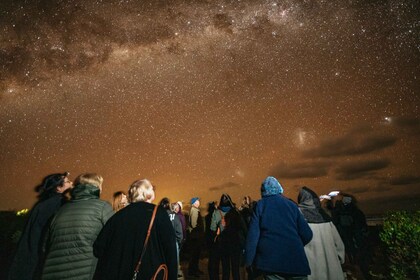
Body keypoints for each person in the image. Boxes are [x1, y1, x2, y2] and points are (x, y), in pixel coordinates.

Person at [93, 179, 177, 280]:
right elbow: (170, 250)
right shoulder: (159, 213)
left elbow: (99, 248)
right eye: (152, 188)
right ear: (148, 193)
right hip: (151, 274)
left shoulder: (118, 216)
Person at [41, 173, 113, 280]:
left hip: (51, 273)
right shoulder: (103, 208)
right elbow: (115, 240)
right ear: (97, 187)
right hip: (85, 274)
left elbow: (45, 246)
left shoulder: (60, 210)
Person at [245, 176, 313, 280]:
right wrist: (294, 245)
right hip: (296, 262)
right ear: (279, 188)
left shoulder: (260, 206)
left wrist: (248, 261)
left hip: (271, 262)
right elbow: (307, 234)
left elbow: (253, 237)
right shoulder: (292, 205)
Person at [8, 172, 73, 280]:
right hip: (39, 254)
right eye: (67, 181)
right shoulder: (56, 203)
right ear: (58, 188)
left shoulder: (45, 203)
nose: (71, 182)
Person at [298, 186, 345, 280]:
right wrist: (340, 259)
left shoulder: (298, 218)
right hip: (332, 267)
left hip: (311, 269)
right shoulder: (326, 218)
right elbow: (338, 244)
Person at [210, 193, 247, 280]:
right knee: (235, 270)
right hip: (235, 243)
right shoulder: (236, 212)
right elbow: (243, 227)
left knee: (225, 269)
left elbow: (212, 228)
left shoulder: (216, 213)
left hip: (223, 244)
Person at [159, 198, 183, 278]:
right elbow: (179, 231)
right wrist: (179, 242)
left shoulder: (158, 216)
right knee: (173, 263)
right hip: (173, 242)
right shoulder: (174, 215)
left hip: (160, 243)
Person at [188, 197, 204, 277]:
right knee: (194, 255)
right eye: (198, 201)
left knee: (195, 255)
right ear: (194, 203)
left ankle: (195, 270)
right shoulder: (194, 211)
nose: (199, 202)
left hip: (196, 236)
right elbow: (194, 224)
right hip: (196, 237)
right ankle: (193, 271)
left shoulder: (194, 210)